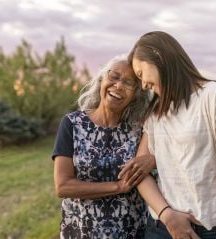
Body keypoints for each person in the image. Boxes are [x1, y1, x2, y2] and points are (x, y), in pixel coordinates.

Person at [120, 31, 216, 239]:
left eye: (140, 73)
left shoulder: (215, 96)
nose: (143, 84)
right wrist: (167, 215)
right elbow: (139, 173)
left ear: (159, 56)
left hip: (211, 230)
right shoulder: (157, 113)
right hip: (162, 228)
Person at [52, 55, 155, 239]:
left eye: (129, 83)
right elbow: (63, 186)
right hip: (81, 232)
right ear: (102, 79)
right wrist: (118, 186)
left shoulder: (141, 129)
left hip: (131, 232)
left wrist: (153, 159)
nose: (118, 86)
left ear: (136, 94)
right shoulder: (72, 124)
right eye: (114, 76)